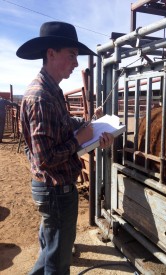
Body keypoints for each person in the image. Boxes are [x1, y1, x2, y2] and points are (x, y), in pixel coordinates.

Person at [16, 21, 114, 275]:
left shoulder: (51, 91)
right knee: (57, 264)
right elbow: (45, 157)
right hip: (56, 190)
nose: (76, 62)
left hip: (54, 188)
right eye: (71, 55)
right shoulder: (41, 97)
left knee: (51, 253)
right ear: (51, 53)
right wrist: (79, 140)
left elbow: (64, 124)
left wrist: (90, 123)